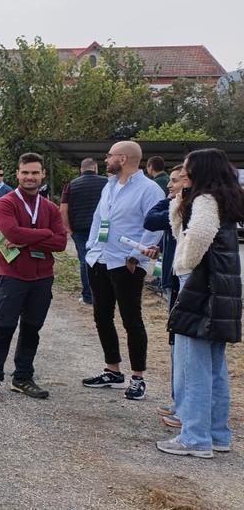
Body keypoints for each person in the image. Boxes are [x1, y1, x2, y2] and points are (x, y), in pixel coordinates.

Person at [156, 147, 242, 458]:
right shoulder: (225, 198)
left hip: (200, 287)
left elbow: (195, 237)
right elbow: (180, 228)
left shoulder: (206, 201)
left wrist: (183, 265)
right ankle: (218, 434)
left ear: (202, 171)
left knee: (194, 365)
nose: (184, 175)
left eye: (189, 169)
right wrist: (180, 199)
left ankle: (194, 438)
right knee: (214, 366)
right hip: (221, 289)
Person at [81, 141, 165, 400]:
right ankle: (112, 370)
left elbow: (155, 226)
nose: (106, 160)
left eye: (110, 156)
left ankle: (138, 377)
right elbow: (98, 219)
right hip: (100, 260)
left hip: (126, 263)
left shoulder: (149, 189)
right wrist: (90, 247)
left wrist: (136, 256)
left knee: (131, 319)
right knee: (102, 316)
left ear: (124, 158)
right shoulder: (109, 186)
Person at [0, 153, 67, 401]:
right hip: (13, 276)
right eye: (25, 173)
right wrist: (44, 233)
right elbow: (11, 233)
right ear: (17, 174)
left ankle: (23, 378)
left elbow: (61, 243)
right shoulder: (5, 203)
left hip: (42, 278)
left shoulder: (49, 207)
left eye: (35, 173)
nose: (30, 177)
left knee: (32, 329)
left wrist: (27, 236)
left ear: (42, 175)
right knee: (3, 327)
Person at [144, 165, 187, 428]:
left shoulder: (184, 206)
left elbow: (150, 218)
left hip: (182, 281)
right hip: (173, 278)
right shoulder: (178, 206)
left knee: (182, 347)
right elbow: (169, 231)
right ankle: (178, 399)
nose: (168, 186)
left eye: (174, 181)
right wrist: (158, 247)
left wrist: (171, 199)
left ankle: (185, 406)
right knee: (175, 345)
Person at [59, 158, 109, 305]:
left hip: (80, 229)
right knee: (105, 260)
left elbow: (63, 209)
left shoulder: (71, 185)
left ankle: (88, 296)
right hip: (103, 228)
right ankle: (106, 295)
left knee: (85, 261)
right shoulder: (107, 183)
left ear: (81, 170)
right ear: (95, 169)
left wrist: (69, 229)